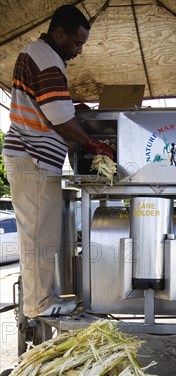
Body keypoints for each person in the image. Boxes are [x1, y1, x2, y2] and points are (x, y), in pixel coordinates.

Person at [3, 5, 113, 318]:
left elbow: (51, 106)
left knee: (42, 234)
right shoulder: (46, 58)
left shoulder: (39, 55)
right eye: (76, 43)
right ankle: (39, 304)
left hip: (31, 158)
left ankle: (43, 299)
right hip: (32, 158)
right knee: (39, 235)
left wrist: (70, 105)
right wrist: (94, 144)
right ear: (59, 33)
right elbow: (60, 118)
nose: (78, 51)